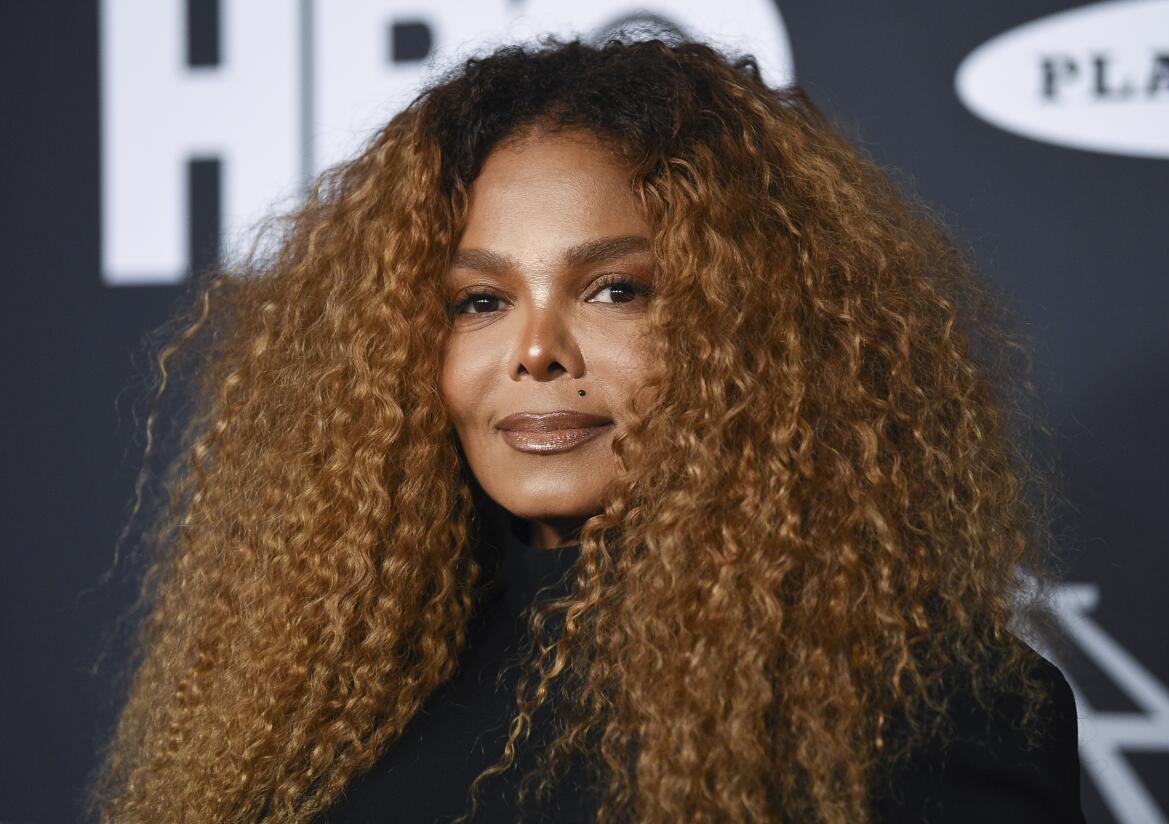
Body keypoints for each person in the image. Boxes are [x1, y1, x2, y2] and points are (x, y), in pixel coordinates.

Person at [86, 32, 1086, 823]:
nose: (535, 350)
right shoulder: (311, 701)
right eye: (478, 300)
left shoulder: (939, 710)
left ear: (754, 327)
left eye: (615, 288)